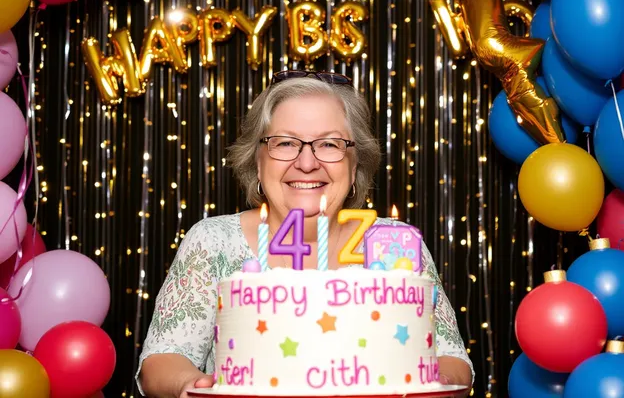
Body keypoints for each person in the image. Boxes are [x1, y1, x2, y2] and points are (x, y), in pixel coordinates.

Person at [136, 70, 474, 397]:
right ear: (258, 161)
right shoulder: (213, 241)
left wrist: (434, 384)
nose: (307, 163)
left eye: (329, 144)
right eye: (285, 143)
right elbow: (161, 359)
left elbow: (452, 358)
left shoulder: (396, 245)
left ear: (354, 165)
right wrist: (190, 383)